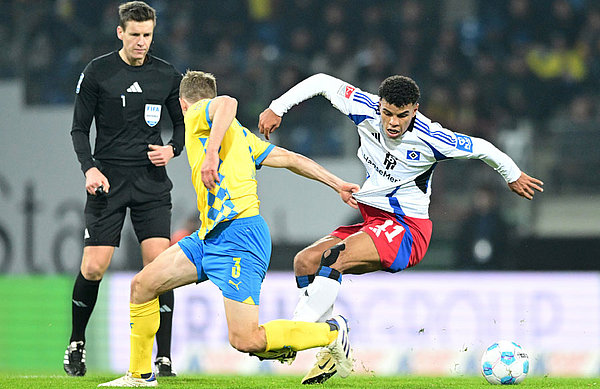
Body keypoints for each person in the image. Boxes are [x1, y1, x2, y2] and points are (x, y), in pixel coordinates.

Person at [258, 73, 544, 384]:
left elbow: (482, 148)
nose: (393, 122)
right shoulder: (363, 108)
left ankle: (295, 334)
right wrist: (278, 107)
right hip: (373, 219)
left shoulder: (432, 138)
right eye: (388, 113)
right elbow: (323, 82)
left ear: (415, 110)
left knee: (333, 258)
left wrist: (512, 175)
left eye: (402, 115)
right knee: (304, 261)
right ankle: (330, 345)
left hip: (406, 229)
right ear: (379, 105)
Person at [99, 70, 358, 387]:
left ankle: (333, 332)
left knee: (246, 340)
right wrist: (337, 184)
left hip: (240, 236)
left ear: (182, 104)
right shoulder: (243, 137)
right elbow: (290, 158)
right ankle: (140, 376)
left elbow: (228, 102)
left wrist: (210, 154)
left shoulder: (196, 114)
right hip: (208, 236)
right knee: (142, 285)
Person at [66, 1, 184, 377]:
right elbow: (79, 129)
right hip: (108, 182)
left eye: (147, 35)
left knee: (159, 267)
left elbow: (182, 126)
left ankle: (163, 357)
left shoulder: (166, 75)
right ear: (120, 32)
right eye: (134, 35)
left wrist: (172, 149)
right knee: (94, 266)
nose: (141, 42)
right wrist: (90, 169)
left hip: (150, 183)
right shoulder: (98, 71)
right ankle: (76, 344)